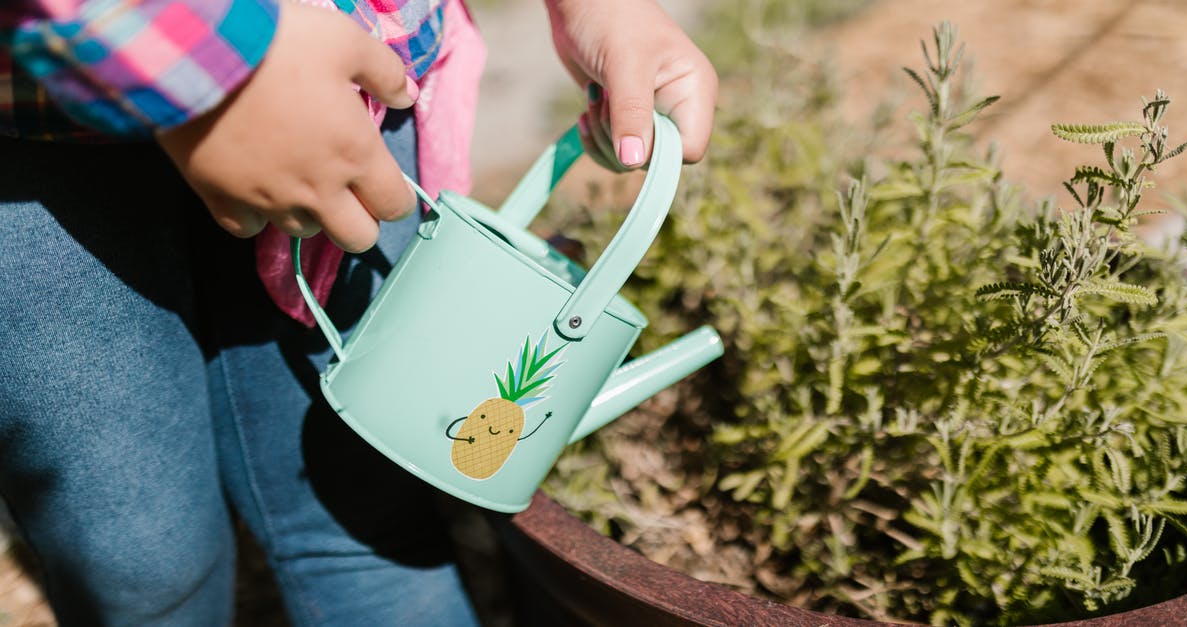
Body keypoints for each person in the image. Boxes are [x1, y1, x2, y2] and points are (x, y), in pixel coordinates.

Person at [0, 0, 717, 624]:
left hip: (353, 78)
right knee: (141, 561)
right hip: (40, 135)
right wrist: (211, 70)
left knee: (367, 507)